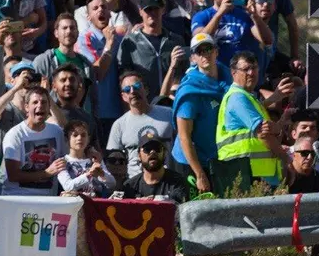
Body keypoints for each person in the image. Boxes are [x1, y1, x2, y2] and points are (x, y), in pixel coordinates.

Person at [214, 51, 286, 192]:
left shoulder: (249, 98)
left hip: (255, 175)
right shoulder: (238, 97)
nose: (251, 73)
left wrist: (276, 101)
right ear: (233, 72)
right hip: (247, 177)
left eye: (254, 68)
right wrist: (286, 159)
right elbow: (263, 134)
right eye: (246, 69)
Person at [172, 32, 231, 196]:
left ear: (216, 51)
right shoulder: (190, 92)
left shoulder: (228, 78)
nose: (205, 54)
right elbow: (184, 136)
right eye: (200, 51)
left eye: (208, 49)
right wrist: (199, 174)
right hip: (191, 163)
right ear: (193, 58)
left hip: (217, 158)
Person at [115, 0, 187, 101]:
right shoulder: (130, 41)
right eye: (148, 10)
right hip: (143, 103)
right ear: (140, 12)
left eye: (156, 9)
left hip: (172, 101)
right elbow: (124, 76)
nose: (152, 13)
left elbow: (185, 71)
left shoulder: (176, 40)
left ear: (163, 10)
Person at [241, 0, 303, 75]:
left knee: (301, 74)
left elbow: (292, 24)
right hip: (245, 53)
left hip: (270, 52)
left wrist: (295, 56)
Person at [191, 0, 272, 64]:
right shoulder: (202, 16)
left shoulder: (245, 15)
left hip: (242, 68)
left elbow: (267, 41)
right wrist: (219, 14)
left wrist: (255, 16)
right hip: (217, 69)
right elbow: (199, 42)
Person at [106, 72, 175, 179]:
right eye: (127, 89)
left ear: (146, 89)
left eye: (137, 86)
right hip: (135, 184)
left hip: (168, 181)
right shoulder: (119, 125)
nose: (132, 91)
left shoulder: (169, 114)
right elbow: (113, 161)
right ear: (123, 96)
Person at [1, 86, 66, 195]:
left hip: (49, 200)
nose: (40, 105)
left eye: (44, 102)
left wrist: (89, 151)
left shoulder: (57, 132)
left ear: (49, 107)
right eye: (35, 102)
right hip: (18, 198)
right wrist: (46, 173)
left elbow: (70, 157)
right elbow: (13, 175)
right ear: (26, 107)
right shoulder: (15, 134)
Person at [76, 0, 124, 134]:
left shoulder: (121, 39)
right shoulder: (84, 39)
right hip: (98, 112)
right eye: (95, 8)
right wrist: (109, 45)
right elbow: (97, 73)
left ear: (110, 13)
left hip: (121, 111)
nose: (100, 10)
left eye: (104, 7)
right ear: (88, 16)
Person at [33, 14, 97, 101]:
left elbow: (93, 97)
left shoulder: (86, 64)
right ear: (56, 33)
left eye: (72, 28)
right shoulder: (43, 61)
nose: (69, 31)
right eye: (64, 28)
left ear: (77, 33)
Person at [121, 130, 190, 203]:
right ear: (139, 155)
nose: (152, 152)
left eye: (157, 148)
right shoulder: (130, 186)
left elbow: (179, 207)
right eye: (147, 149)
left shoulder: (178, 182)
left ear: (164, 153)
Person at [55, 120, 114, 197]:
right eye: (75, 135)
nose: (79, 138)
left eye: (83, 135)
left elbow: (112, 184)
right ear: (67, 139)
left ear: (88, 139)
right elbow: (68, 187)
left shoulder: (95, 159)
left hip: (95, 203)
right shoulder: (62, 162)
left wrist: (102, 174)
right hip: (74, 203)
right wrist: (89, 174)